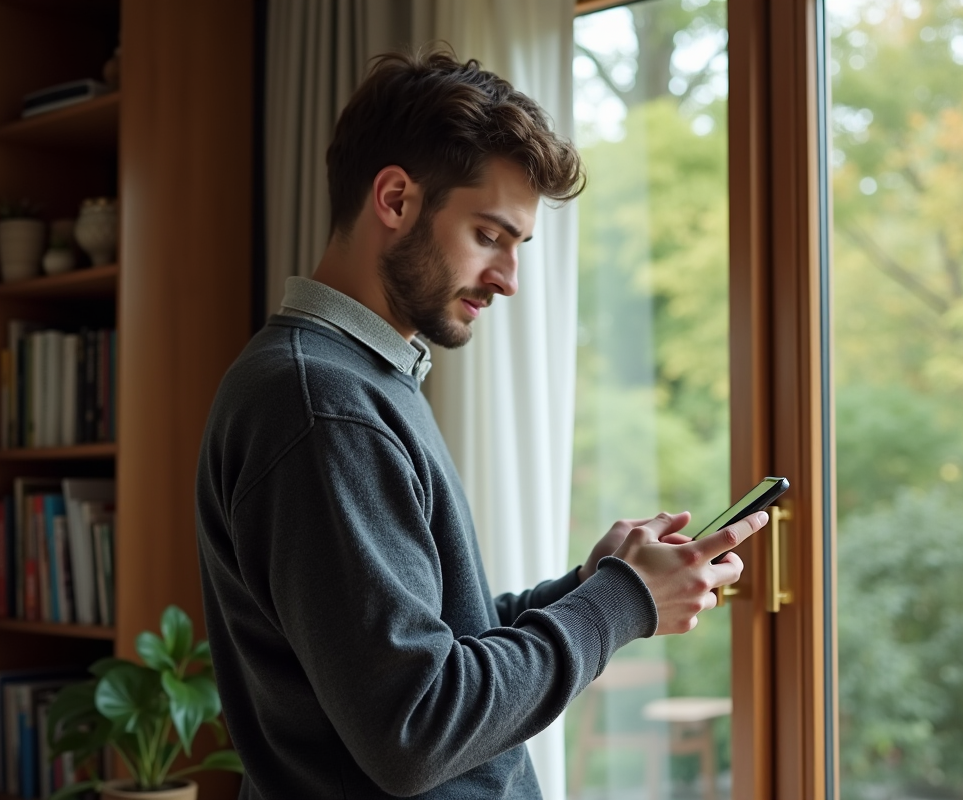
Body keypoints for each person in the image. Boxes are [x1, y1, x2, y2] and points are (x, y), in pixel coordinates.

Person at [195, 47, 766, 799]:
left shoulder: (360, 382)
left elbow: (431, 638)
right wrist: (623, 603)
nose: (508, 280)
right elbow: (415, 728)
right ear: (395, 199)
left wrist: (588, 587)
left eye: (517, 246)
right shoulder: (324, 407)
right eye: (489, 236)